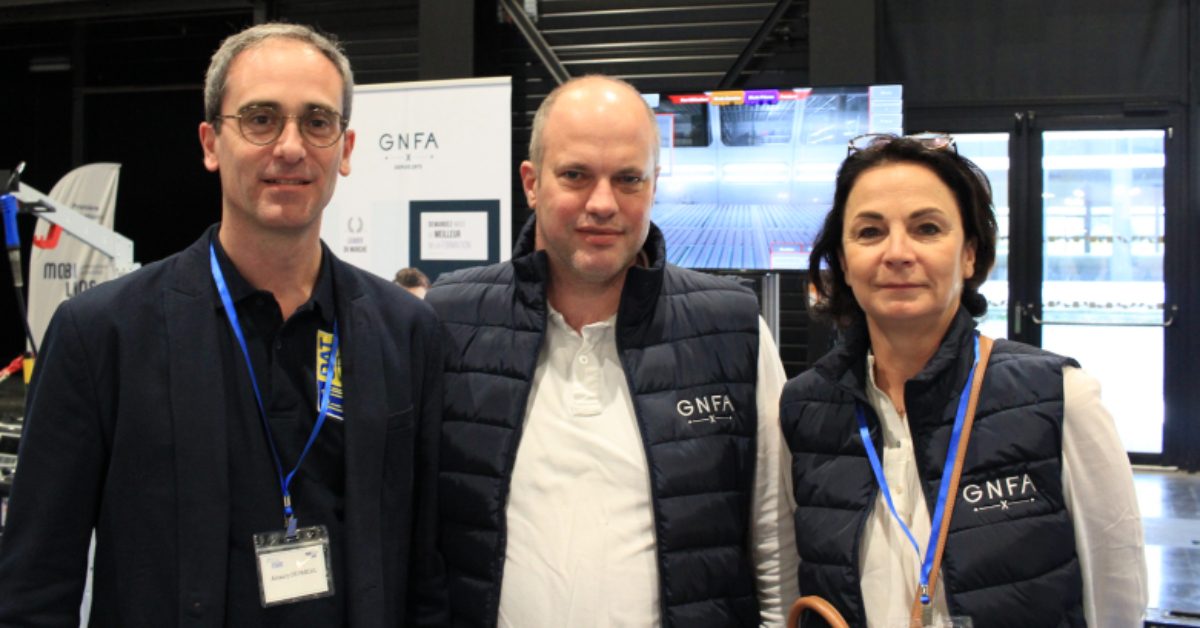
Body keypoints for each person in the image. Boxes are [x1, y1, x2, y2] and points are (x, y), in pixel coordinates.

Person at [0, 23, 446, 627]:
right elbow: (34, 585)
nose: (291, 146)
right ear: (211, 143)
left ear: (344, 149)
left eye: (317, 121)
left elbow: (426, 571)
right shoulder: (103, 335)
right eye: (261, 119)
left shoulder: (405, 332)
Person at [425, 75, 797, 628]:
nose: (602, 203)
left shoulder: (732, 327)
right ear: (532, 183)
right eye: (575, 175)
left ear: (653, 186)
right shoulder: (450, 319)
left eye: (628, 179)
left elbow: (774, 540)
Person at [779, 134, 1146, 627]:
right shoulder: (805, 409)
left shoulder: (1059, 398)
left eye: (926, 228)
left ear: (970, 254)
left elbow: (1117, 597)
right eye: (869, 232)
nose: (897, 252)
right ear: (843, 263)